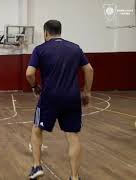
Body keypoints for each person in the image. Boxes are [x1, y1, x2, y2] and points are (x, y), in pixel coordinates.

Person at [26, 20, 94, 180]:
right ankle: (74, 177)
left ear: (46, 33)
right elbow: (89, 69)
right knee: (73, 135)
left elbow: (29, 73)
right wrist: (87, 92)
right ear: (60, 31)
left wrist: (35, 85)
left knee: (37, 129)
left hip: (49, 98)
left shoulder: (40, 49)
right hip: (72, 98)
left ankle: (37, 167)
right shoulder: (75, 48)